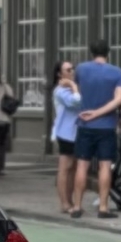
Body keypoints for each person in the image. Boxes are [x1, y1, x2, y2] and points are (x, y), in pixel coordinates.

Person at [72, 39, 121, 217]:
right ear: (108, 52)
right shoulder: (116, 72)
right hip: (106, 126)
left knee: (81, 165)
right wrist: (98, 113)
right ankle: (103, 207)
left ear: (91, 51)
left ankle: (76, 207)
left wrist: (85, 110)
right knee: (105, 166)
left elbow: (75, 89)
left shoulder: (82, 69)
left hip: (84, 124)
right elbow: (119, 99)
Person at [49, 59, 82, 212]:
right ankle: (64, 203)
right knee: (65, 167)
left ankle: (70, 199)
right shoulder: (60, 91)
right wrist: (74, 86)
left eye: (73, 68)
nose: (72, 72)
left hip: (76, 132)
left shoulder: (70, 89)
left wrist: (74, 87)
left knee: (74, 168)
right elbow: (75, 102)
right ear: (59, 74)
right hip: (65, 132)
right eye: (68, 70)